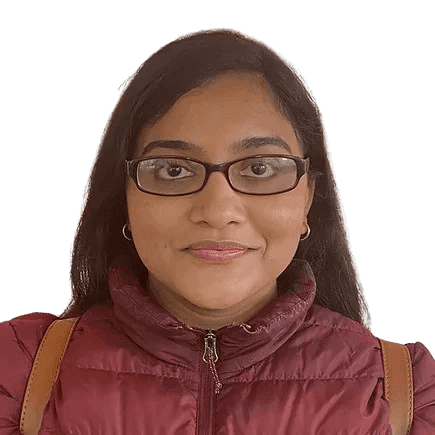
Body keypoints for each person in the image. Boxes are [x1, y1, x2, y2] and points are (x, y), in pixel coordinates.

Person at [1, 28, 434, 434]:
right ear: (125, 198)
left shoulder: (410, 396)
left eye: (260, 168)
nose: (218, 211)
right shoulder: (19, 373)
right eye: (173, 170)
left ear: (307, 201)